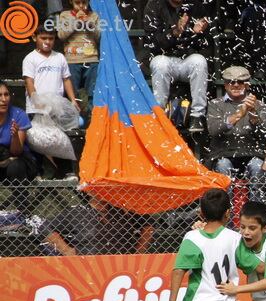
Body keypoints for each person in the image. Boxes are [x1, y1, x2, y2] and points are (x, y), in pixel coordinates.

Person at [143, 0, 213, 132]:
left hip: (187, 59)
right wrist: (173, 33)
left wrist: (196, 33)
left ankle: (197, 116)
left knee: (199, 61)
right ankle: (160, 115)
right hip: (164, 58)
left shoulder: (195, 5)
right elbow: (153, 43)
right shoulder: (154, 5)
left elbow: (205, 44)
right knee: (160, 63)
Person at [206, 66, 266, 191]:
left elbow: (265, 134)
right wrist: (238, 115)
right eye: (231, 81)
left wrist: (253, 115)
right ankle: (226, 209)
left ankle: (254, 209)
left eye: (240, 82)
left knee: (257, 166)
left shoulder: (258, 105)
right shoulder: (215, 104)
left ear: (247, 85)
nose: (235, 85)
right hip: (223, 155)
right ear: (225, 85)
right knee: (223, 165)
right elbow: (213, 130)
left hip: (251, 154)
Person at [39, 193, 154, 256]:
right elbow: (43, 227)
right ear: (88, 191)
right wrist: (66, 250)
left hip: (122, 266)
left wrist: (139, 252)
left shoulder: (122, 211)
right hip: (88, 266)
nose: (102, 192)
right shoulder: (78, 212)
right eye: (97, 188)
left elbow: (147, 224)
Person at [56, 0, 100, 121]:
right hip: (72, 60)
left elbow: (99, 36)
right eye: (77, 3)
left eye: (84, 3)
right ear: (71, 2)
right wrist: (76, 22)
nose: (81, 6)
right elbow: (61, 35)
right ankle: (73, 119)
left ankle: (92, 119)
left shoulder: (94, 16)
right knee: (72, 92)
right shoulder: (65, 15)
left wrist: (89, 24)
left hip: (92, 59)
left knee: (92, 91)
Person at [22, 24, 80, 116]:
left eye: (51, 38)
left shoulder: (60, 57)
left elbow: (66, 79)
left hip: (57, 108)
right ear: (34, 37)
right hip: (37, 109)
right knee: (37, 131)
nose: (47, 42)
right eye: (43, 38)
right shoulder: (30, 58)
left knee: (57, 130)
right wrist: (37, 103)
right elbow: (29, 82)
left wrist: (73, 100)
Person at [0, 81, 37, 214]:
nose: (3, 99)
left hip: (20, 161)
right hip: (2, 161)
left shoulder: (18, 114)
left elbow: (17, 151)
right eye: (0, 95)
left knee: (15, 166)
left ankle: (24, 212)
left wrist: (15, 135)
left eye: (6, 95)